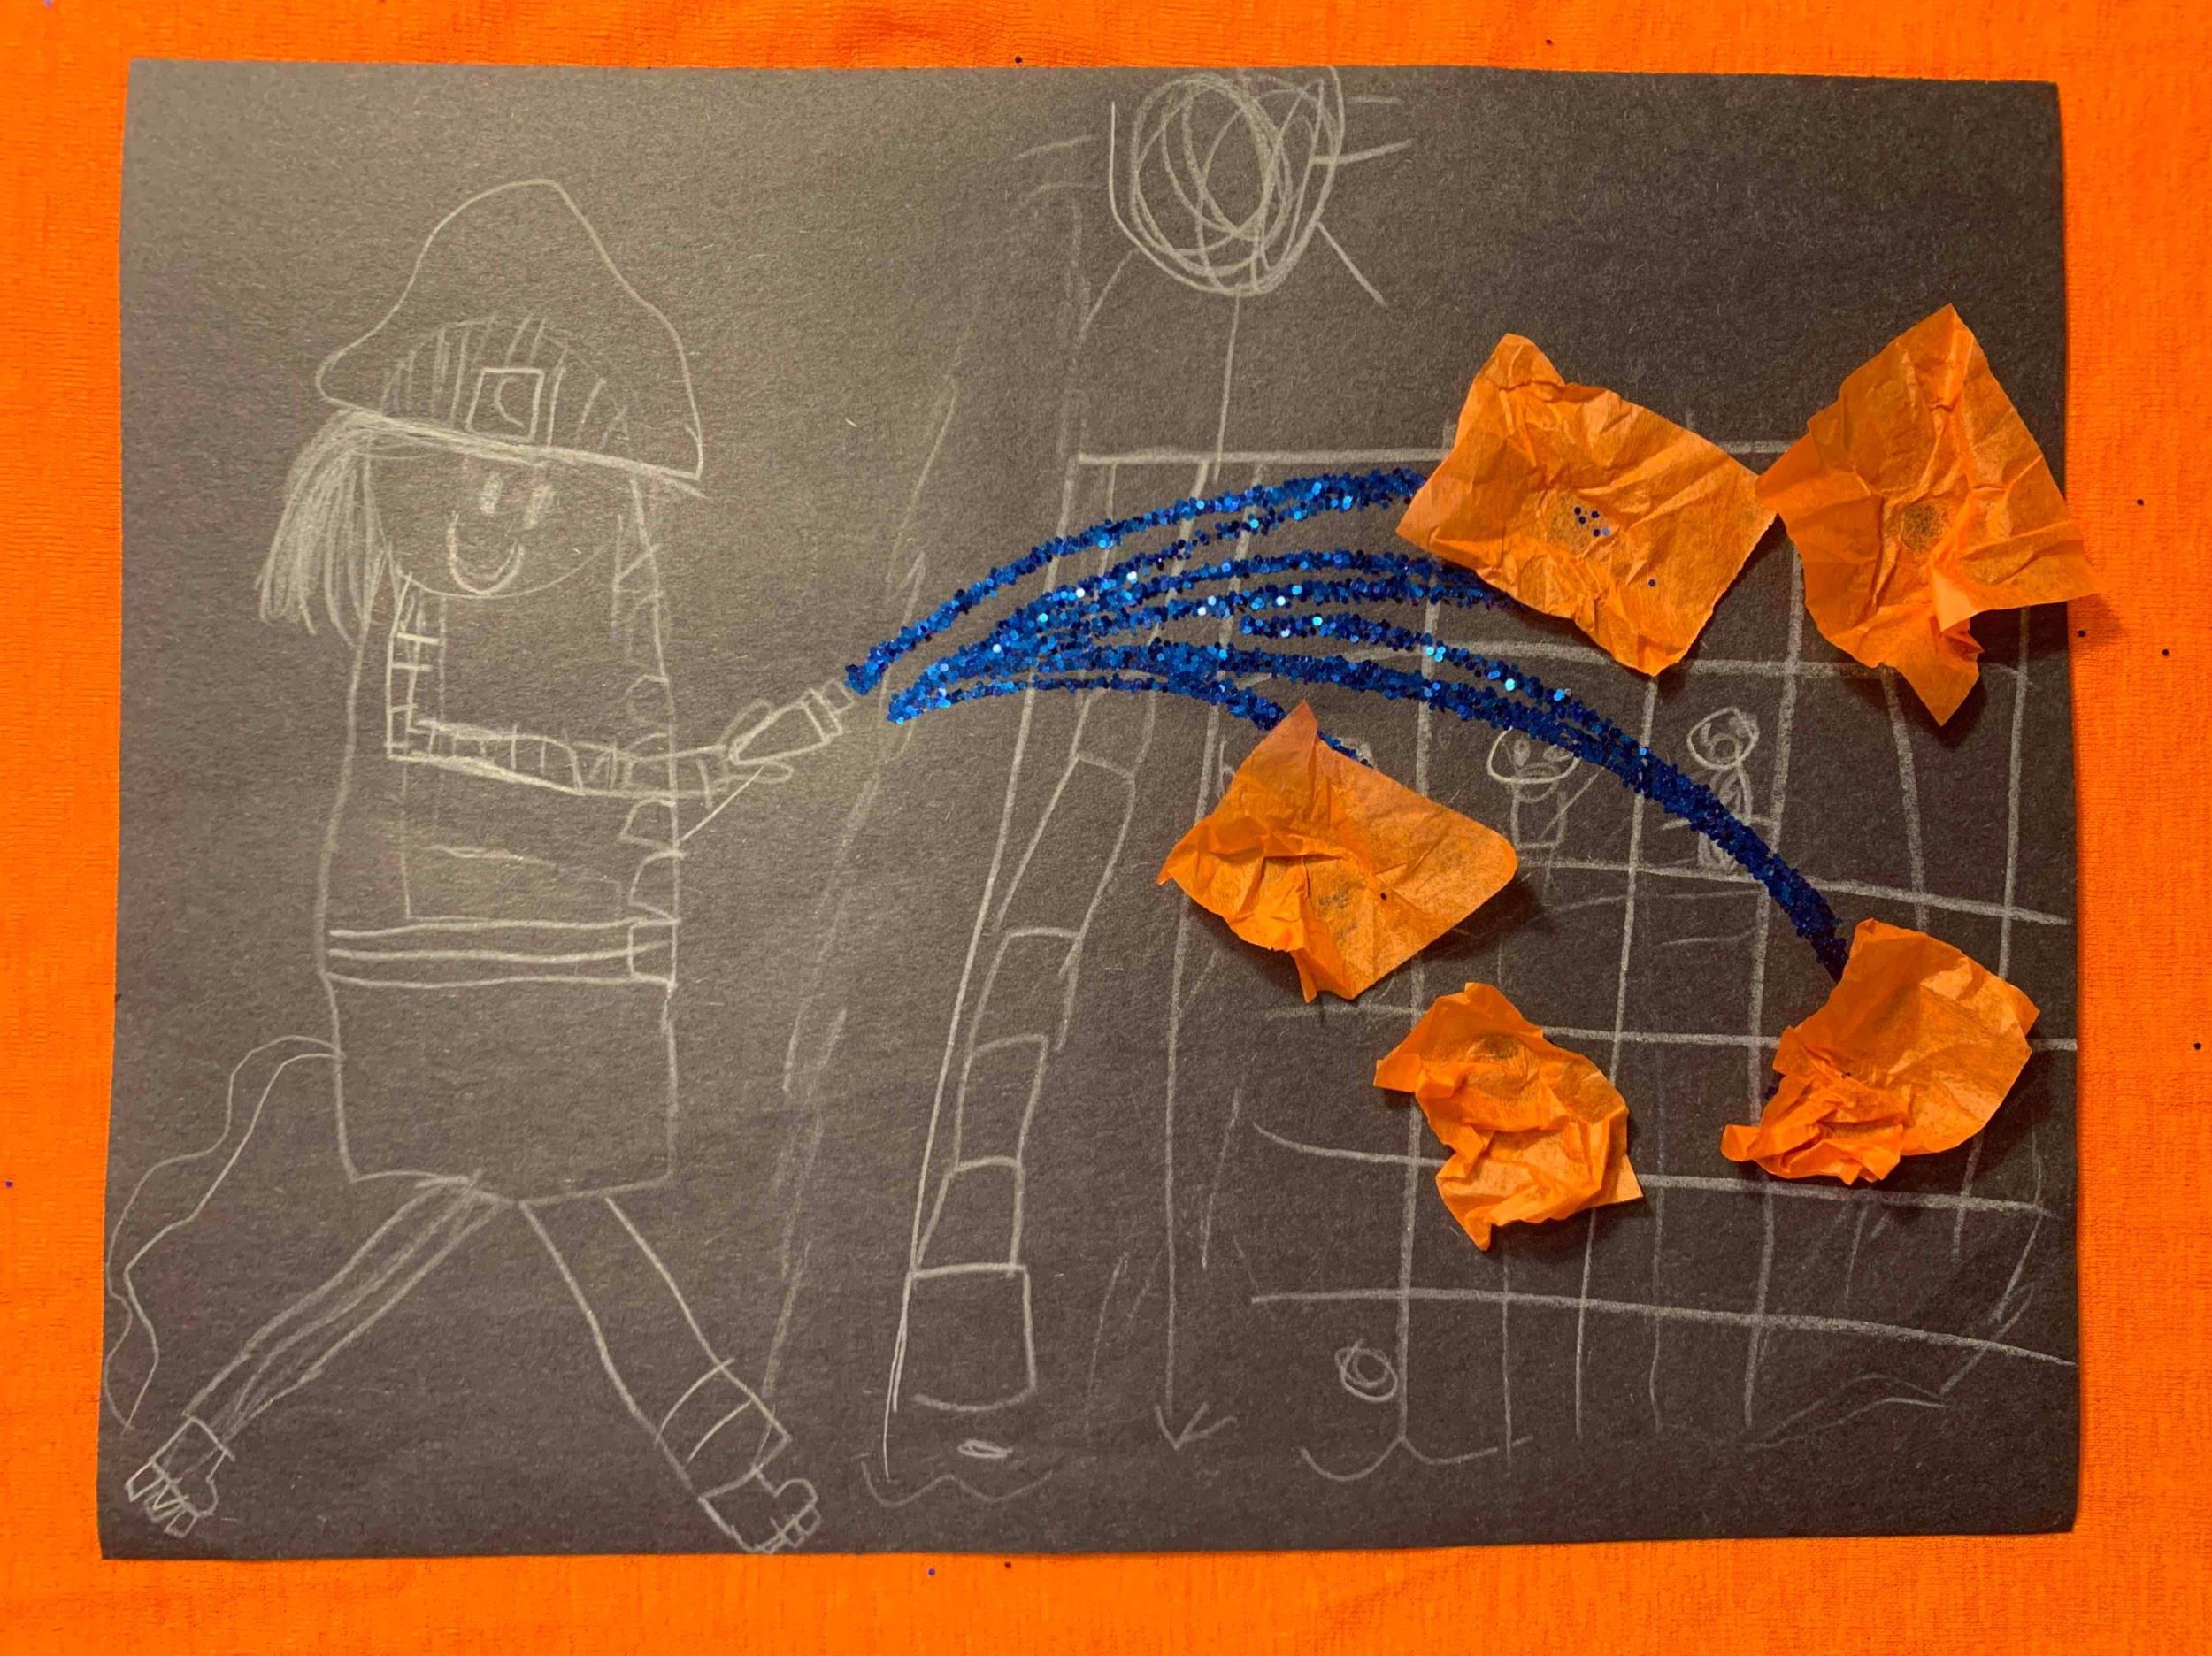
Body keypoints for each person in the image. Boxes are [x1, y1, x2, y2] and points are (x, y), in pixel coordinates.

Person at [113, 181, 846, 1552]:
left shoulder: (604, 596)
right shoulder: (417, 618)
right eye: (481, 461)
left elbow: (593, 773)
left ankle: (210, 1437)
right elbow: (466, 763)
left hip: (574, 945)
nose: (509, 499)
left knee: (505, 1206)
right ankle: (735, 1466)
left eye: (545, 473)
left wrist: (712, 772)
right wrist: (693, 777)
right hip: (441, 940)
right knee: (537, 1205)